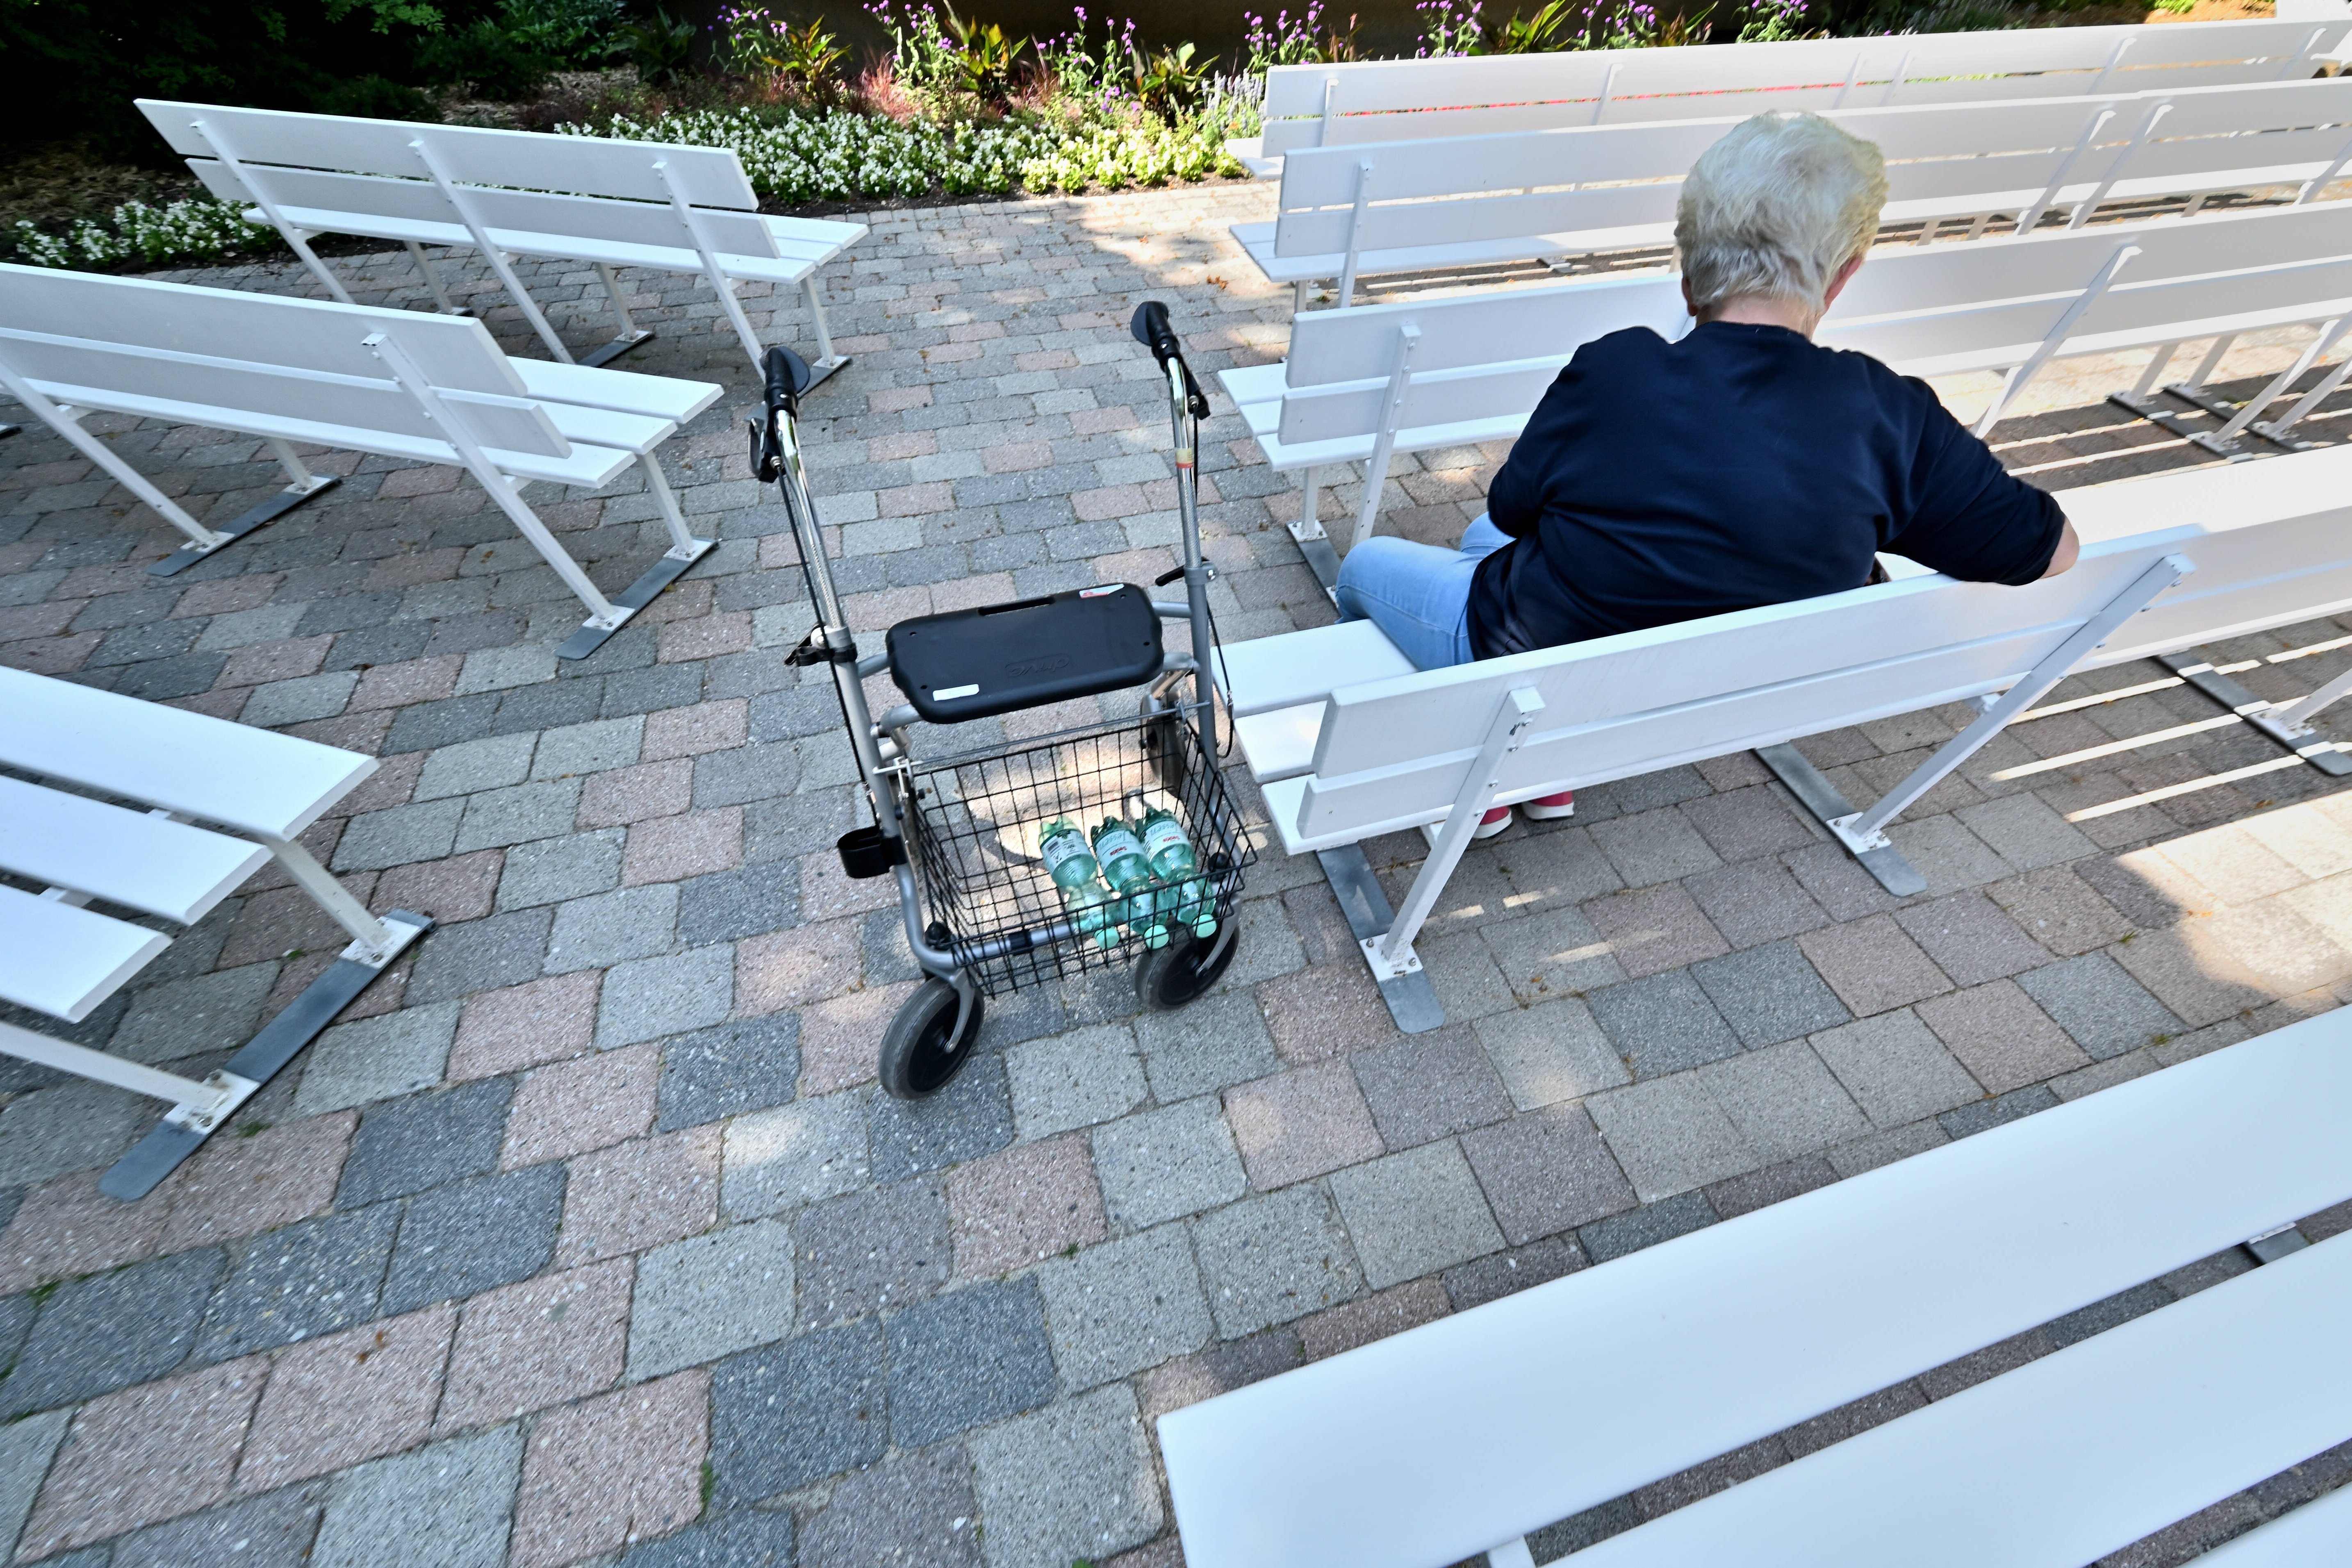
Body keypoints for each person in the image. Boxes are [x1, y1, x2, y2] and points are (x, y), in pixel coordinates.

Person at [1332, 110, 2078, 838]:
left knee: (1366, 566)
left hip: (1528, 659)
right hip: (1706, 697)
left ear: (1690, 265)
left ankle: (1467, 775)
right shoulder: (1891, 415)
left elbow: (1512, 503)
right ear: (1842, 275)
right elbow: (2055, 551)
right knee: (1481, 536)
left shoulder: (1616, 370)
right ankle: (1537, 770)